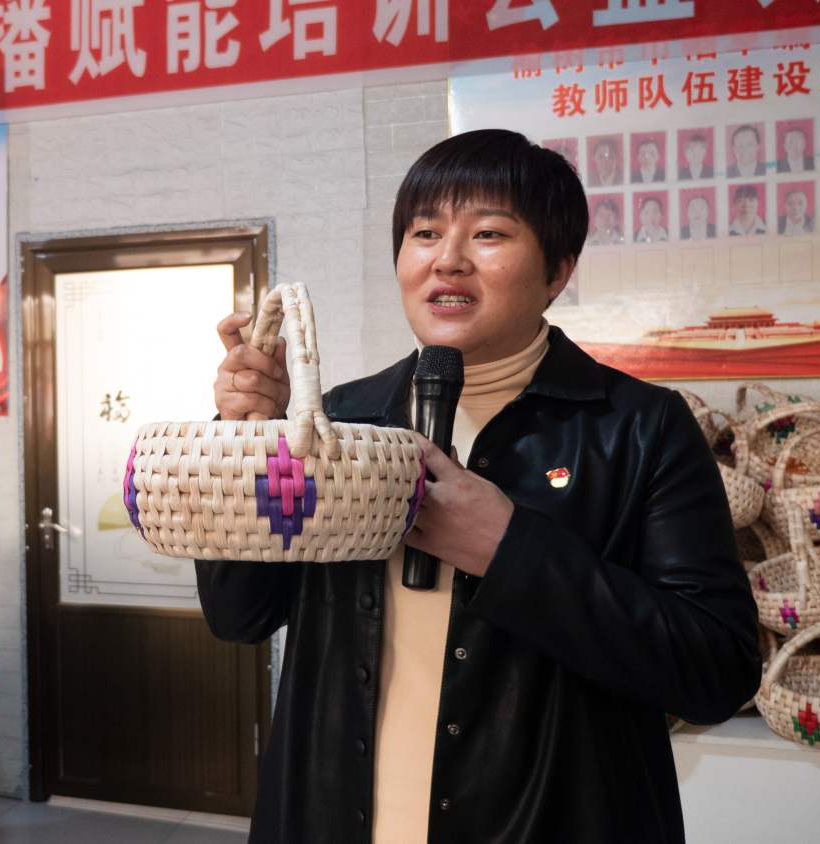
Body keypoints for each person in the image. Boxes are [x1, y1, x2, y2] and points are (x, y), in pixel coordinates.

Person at [200, 129, 758, 842]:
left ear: (557, 271)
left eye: (489, 233)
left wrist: (509, 551)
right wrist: (248, 441)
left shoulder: (639, 428)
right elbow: (239, 615)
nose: (448, 259)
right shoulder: (340, 418)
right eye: (425, 233)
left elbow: (716, 669)